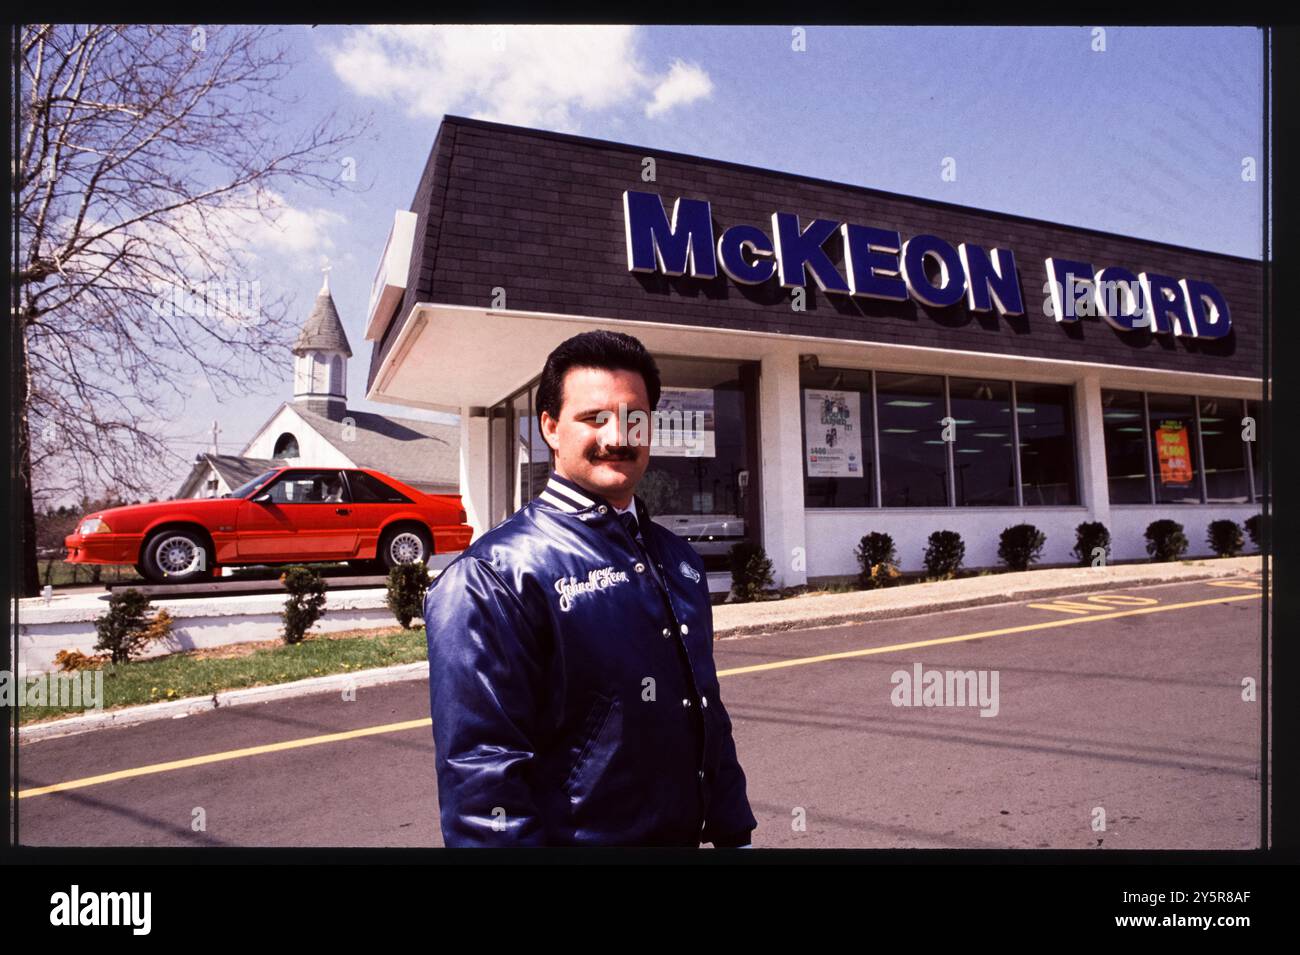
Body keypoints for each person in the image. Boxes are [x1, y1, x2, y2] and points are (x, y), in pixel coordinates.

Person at [424, 330, 757, 848]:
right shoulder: (493, 576)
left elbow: (706, 710)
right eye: (594, 418)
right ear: (551, 428)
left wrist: (735, 830)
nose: (618, 436)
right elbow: (482, 772)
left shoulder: (678, 559)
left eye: (634, 418)